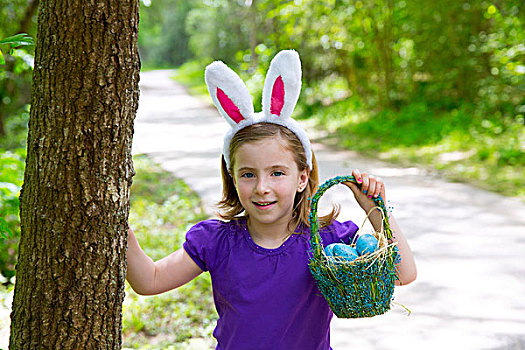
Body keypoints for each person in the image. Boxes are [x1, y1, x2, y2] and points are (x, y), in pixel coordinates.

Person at [126, 50, 417, 349]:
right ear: (233, 177)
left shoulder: (327, 241)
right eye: (248, 174)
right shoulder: (216, 241)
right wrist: (116, 226)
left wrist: (376, 208)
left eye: (277, 173)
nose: (262, 187)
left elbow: (403, 273)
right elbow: (150, 280)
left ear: (302, 178)